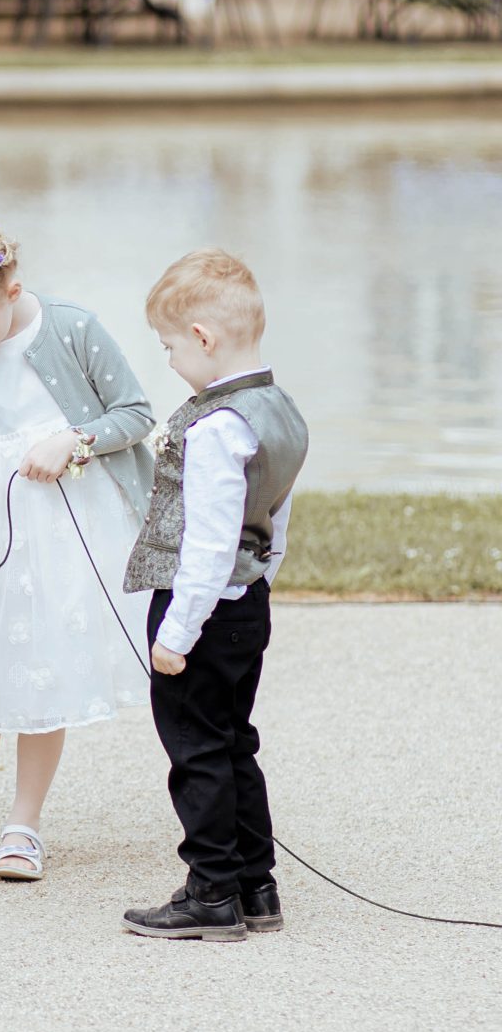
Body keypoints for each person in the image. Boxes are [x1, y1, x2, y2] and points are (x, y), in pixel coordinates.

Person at [0, 217, 156, 884]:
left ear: (12, 289)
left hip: (68, 524)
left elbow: (133, 414)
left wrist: (71, 442)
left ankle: (24, 824)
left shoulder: (71, 328)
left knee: (43, 666)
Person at [121, 248, 308, 943]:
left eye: (168, 345)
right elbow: (274, 514)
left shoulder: (214, 426)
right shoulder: (277, 410)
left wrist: (175, 634)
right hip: (246, 601)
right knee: (234, 742)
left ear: (201, 337)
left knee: (195, 750)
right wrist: (266, 575)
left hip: (197, 605)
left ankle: (209, 892)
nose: (168, 359)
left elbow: (206, 540)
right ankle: (255, 885)